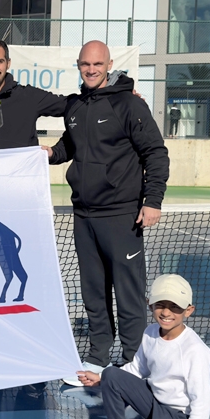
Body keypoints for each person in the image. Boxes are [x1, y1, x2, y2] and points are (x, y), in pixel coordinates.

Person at [47, 40, 169, 385]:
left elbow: (155, 153)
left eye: (97, 64)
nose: (91, 70)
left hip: (121, 215)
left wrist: (152, 200)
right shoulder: (75, 106)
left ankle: (133, 361)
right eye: (85, 64)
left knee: (128, 294)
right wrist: (50, 154)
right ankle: (98, 357)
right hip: (84, 216)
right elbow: (71, 144)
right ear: (78, 65)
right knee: (93, 292)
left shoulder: (129, 104)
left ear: (109, 64)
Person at [77, 274, 210, 419]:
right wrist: (101, 378)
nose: (166, 312)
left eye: (175, 307)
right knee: (112, 374)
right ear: (150, 305)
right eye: (161, 305)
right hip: (154, 402)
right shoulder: (150, 332)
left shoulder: (195, 350)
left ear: (188, 310)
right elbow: (137, 368)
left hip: (177, 417)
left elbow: (202, 403)